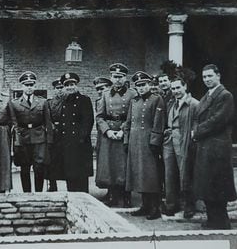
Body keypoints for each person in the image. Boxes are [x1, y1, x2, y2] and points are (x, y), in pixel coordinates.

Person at [192, 64, 237, 229]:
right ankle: (213, 219)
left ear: (218, 76)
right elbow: (198, 116)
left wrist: (197, 132)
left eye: (210, 76)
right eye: (204, 77)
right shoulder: (207, 95)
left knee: (218, 184)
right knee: (208, 184)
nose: (207, 80)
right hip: (206, 145)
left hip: (218, 146)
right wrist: (196, 130)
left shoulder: (225, 95)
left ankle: (222, 221)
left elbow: (218, 120)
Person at [124, 71, 165, 220]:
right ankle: (145, 205)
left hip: (148, 142)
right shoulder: (134, 101)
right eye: (138, 86)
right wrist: (126, 140)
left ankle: (155, 207)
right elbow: (128, 123)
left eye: (144, 85)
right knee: (139, 175)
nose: (141, 88)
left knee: (150, 175)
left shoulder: (157, 99)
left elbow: (158, 122)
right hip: (135, 142)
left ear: (149, 85)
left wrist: (155, 141)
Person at [96, 64, 136, 207]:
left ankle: (126, 196)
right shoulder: (105, 94)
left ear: (125, 78)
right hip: (110, 133)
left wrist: (123, 130)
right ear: (111, 78)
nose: (118, 80)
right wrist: (107, 131)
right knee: (110, 164)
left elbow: (133, 116)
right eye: (115, 77)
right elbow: (100, 116)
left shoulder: (133, 94)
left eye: (120, 77)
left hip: (125, 132)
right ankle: (112, 194)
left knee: (124, 164)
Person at [9, 71, 53, 192]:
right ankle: (26, 194)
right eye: (26, 85)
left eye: (31, 85)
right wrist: (17, 141)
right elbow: (14, 123)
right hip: (23, 138)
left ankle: (39, 194)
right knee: (24, 168)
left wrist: (49, 140)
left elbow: (47, 122)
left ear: (34, 86)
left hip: (39, 137)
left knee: (39, 168)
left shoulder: (42, 102)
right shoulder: (14, 103)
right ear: (22, 86)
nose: (29, 88)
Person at [162, 77, 199, 218]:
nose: (175, 91)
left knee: (185, 174)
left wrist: (192, 137)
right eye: (173, 88)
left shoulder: (194, 103)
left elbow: (197, 122)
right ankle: (171, 205)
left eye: (178, 88)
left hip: (184, 141)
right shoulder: (171, 103)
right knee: (170, 174)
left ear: (185, 87)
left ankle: (189, 205)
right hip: (169, 141)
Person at [58, 72, 94, 192]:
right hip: (67, 144)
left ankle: (84, 199)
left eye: (72, 84)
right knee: (70, 174)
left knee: (81, 175)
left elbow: (88, 121)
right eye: (67, 85)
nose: (70, 87)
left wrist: (81, 138)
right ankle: (72, 198)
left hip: (80, 144)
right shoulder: (64, 101)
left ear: (76, 85)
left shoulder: (84, 100)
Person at [46, 78, 66, 192]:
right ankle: (52, 185)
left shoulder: (69, 101)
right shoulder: (49, 102)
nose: (60, 90)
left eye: (61, 88)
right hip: (54, 135)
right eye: (58, 88)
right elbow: (48, 118)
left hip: (66, 134)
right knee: (52, 161)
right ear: (54, 89)